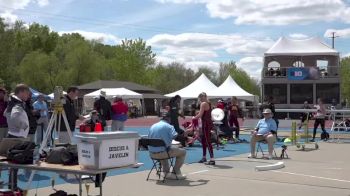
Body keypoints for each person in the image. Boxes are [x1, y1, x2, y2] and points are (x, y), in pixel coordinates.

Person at [4, 84, 31, 190]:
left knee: (13, 164)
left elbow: (5, 113)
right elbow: (14, 117)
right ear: (21, 92)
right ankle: (12, 187)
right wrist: (23, 126)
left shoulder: (12, 102)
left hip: (14, 135)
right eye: (27, 93)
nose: (28, 95)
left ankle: (12, 186)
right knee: (14, 164)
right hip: (17, 137)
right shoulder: (17, 104)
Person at [148, 112, 187, 180]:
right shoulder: (169, 126)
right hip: (163, 153)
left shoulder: (153, 126)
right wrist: (186, 137)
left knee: (164, 148)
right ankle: (175, 172)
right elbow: (177, 138)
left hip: (151, 154)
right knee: (183, 152)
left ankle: (166, 173)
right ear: (169, 119)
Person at [193, 92, 215, 165]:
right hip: (207, 124)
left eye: (202, 96)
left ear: (205, 97)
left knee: (207, 141)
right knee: (203, 141)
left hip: (206, 124)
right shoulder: (208, 103)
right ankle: (204, 157)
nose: (201, 98)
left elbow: (200, 115)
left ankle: (212, 159)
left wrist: (193, 118)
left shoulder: (203, 104)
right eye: (200, 97)